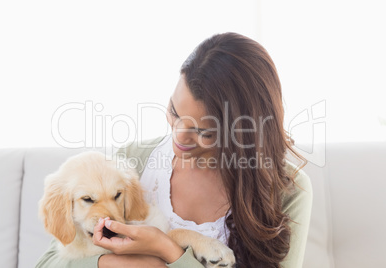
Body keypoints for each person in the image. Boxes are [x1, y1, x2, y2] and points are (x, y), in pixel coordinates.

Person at [36, 32, 312, 268]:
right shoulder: (132, 160)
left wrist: (167, 251)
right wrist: (113, 262)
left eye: (204, 131)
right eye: (174, 111)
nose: (178, 137)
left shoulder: (288, 189)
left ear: (243, 133)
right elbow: (48, 261)